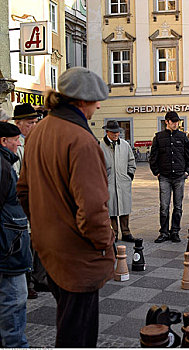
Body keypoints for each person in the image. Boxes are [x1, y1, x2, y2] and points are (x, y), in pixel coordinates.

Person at [16, 67, 115, 347]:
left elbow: (23, 191)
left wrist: (45, 225)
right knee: (78, 335)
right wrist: (104, 242)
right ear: (81, 101)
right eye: (96, 99)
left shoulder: (39, 131)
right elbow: (93, 209)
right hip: (77, 253)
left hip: (49, 248)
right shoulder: (81, 140)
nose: (98, 105)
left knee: (68, 323)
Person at [0, 122, 32, 347]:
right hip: (8, 250)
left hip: (10, 246)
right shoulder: (2, 167)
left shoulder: (4, 164)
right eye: (15, 140)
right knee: (14, 302)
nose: (18, 143)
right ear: (4, 141)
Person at [11, 103, 42, 299]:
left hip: (36, 202)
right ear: (19, 124)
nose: (35, 125)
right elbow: (18, 178)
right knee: (26, 245)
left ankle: (38, 279)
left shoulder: (33, 141)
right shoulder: (17, 145)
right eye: (31, 123)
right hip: (23, 204)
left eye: (36, 122)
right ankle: (28, 282)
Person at [149, 111, 189, 243]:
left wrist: (187, 171)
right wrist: (156, 171)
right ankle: (164, 232)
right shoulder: (159, 137)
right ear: (167, 122)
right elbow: (153, 156)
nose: (176, 124)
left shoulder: (183, 137)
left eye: (177, 121)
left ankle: (175, 231)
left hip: (179, 176)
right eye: (173, 121)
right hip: (164, 176)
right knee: (164, 206)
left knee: (178, 206)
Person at [100, 120, 136, 242]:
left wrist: (129, 175)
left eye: (118, 132)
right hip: (108, 182)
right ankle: (114, 233)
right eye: (114, 132)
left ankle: (126, 232)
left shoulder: (125, 145)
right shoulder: (100, 146)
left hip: (123, 181)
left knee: (124, 207)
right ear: (107, 132)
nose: (116, 134)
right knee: (111, 209)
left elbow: (131, 162)